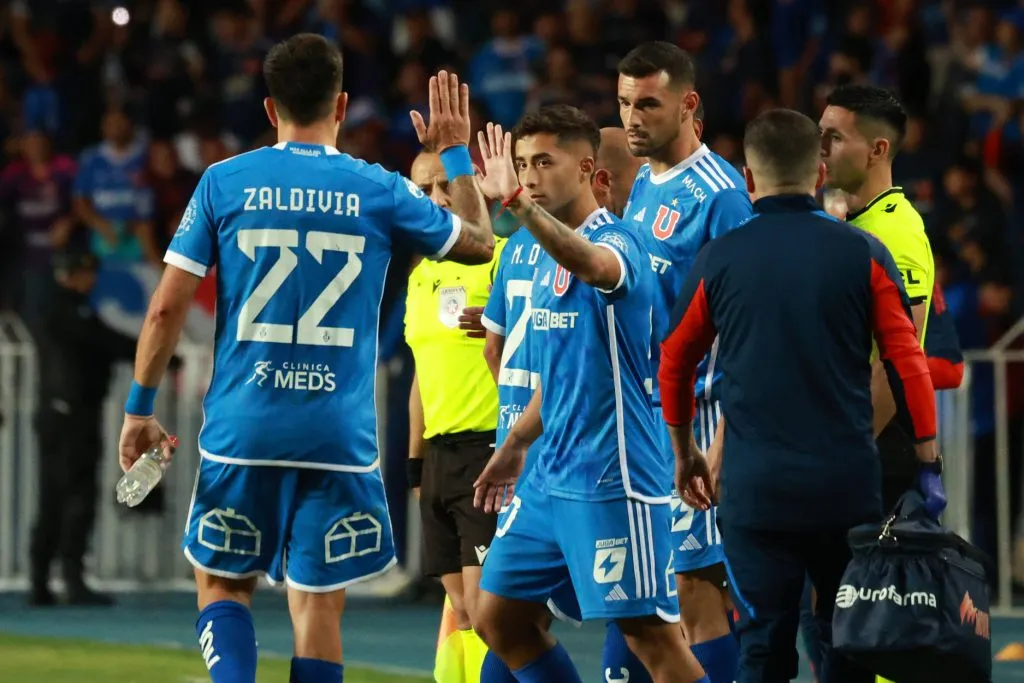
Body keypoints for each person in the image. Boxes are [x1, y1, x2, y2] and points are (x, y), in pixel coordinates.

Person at [116, 33, 495, 683]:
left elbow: (164, 309)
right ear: (342, 104)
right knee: (317, 608)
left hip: (246, 429)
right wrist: (455, 150)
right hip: (337, 437)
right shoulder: (378, 189)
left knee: (223, 586)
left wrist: (139, 409)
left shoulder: (224, 183)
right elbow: (482, 243)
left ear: (269, 109)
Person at [658, 108, 942, 683]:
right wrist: (928, 459)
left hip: (756, 491)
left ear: (747, 178)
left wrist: (685, 448)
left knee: (762, 647)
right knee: (848, 645)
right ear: (818, 170)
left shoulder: (720, 258)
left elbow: (674, 363)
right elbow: (908, 360)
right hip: (844, 485)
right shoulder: (862, 253)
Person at [470, 104, 709, 683]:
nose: (528, 176)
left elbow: (597, 267)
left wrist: (516, 207)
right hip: (549, 475)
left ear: (588, 171)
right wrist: (517, 444)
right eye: (521, 164)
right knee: (496, 619)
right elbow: (564, 376)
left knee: (652, 640)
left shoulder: (616, 241)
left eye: (544, 162)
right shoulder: (542, 254)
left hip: (613, 478)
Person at [612, 40, 752, 683]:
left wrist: (721, 440)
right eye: (623, 103)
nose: (632, 117)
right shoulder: (644, 181)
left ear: (689, 104)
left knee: (695, 593)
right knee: (646, 594)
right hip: (645, 416)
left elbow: (747, 328)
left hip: (698, 418)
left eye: (647, 103)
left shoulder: (721, 196)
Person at [404, 149, 506, 683]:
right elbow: (421, 377)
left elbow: (544, 351)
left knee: (492, 615)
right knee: (462, 612)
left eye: (445, 185)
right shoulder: (418, 280)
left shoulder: (502, 257)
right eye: (423, 190)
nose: (436, 198)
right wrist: (416, 466)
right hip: (441, 458)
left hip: (489, 451)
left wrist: (501, 335)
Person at [818, 84, 940, 515]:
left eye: (834, 137)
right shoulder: (850, 224)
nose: (821, 148)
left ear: (877, 149)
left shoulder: (896, 232)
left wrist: (847, 454)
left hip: (873, 450)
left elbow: (897, 361)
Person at [29, 242, 138, 607]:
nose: (91, 280)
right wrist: (154, 354)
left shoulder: (55, 307)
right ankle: (67, 579)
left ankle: (44, 580)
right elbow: (104, 341)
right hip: (70, 417)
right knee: (74, 497)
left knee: (57, 497)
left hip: (63, 414)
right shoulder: (66, 310)